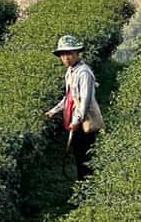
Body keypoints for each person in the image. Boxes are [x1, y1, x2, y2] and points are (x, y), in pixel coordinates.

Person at [45, 35, 103, 180]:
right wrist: (54, 111)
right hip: (76, 120)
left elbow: (85, 100)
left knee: (85, 155)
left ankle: (87, 188)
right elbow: (69, 97)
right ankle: (82, 185)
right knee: (78, 154)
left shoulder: (83, 73)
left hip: (85, 121)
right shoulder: (70, 72)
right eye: (63, 55)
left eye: (70, 54)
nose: (66, 58)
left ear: (77, 53)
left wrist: (77, 120)